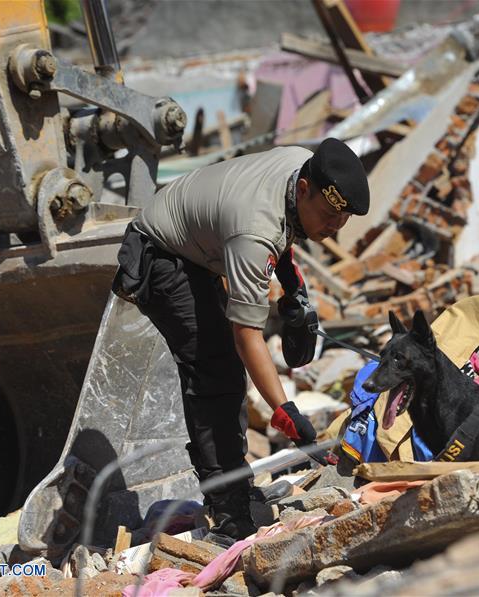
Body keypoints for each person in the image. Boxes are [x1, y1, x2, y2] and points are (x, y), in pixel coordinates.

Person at [111, 138, 369, 543]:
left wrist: (290, 283)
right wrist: (285, 411)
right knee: (215, 373)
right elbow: (247, 333)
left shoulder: (305, 165)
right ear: (304, 189)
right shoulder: (254, 231)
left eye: (343, 219)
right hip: (160, 253)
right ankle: (228, 509)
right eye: (327, 216)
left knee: (226, 371)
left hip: (197, 238)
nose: (334, 227)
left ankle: (235, 483)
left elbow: (283, 219)